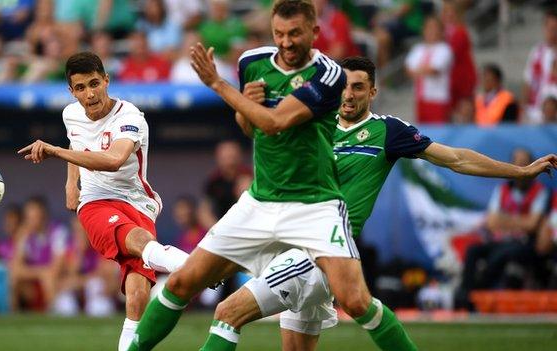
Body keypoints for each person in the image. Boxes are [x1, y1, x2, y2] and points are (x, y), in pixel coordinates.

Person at [214, 56, 557, 351]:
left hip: (319, 251)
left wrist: (520, 171)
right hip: (300, 246)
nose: (349, 94)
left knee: (227, 314)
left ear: (373, 92)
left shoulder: (387, 132)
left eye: (359, 87)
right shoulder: (313, 126)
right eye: (344, 86)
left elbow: (456, 158)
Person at [130, 1, 416, 350]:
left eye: (295, 33)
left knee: (355, 300)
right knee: (181, 281)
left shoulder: (329, 75)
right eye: (279, 33)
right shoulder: (253, 62)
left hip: (315, 205)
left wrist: (218, 84)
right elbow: (253, 127)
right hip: (261, 201)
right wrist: (244, 107)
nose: (286, 42)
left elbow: (276, 122)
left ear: (314, 32)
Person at [17, 51, 189, 351]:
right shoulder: (70, 114)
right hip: (95, 201)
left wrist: (55, 151)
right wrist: (71, 182)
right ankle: (195, 267)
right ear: (72, 92)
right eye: (80, 88)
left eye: (95, 83)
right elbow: (76, 139)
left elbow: (113, 160)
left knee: (136, 297)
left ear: (107, 81)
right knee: (138, 241)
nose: (90, 94)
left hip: (138, 202)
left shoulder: (130, 117)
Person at [457, 149, 550, 306]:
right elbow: (492, 223)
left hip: (524, 244)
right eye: (516, 164)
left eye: (524, 164)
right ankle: (464, 293)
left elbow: (532, 225)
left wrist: (505, 220)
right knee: (473, 250)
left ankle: (476, 294)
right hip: (500, 241)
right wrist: (520, 222)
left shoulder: (540, 192)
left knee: (502, 254)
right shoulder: (502, 190)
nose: (520, 168)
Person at [405, 16, 453, 124]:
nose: (431, 31)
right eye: (428, 28)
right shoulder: (418, 49)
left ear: (441, 31)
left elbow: (434, 70)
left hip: (437, 99)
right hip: (421, 99)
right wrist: (425, 69)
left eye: (434, 28)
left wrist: (418, 69)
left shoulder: (444, 49)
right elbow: (408, 70)